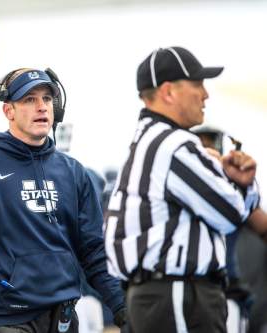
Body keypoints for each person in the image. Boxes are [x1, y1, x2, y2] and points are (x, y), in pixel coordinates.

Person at [0, 67, 126, 333]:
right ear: (8, 111)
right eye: (29, 99)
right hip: (5, 317)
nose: (41, 107)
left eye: (47, 99)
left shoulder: (74, 172)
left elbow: (93, 250)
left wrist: (121, 306)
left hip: (63, 315)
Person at [104, 46, 260, 333]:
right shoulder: (173, 144)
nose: (206, 94)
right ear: (168, 92)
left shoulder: (150, 141)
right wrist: (243, 184)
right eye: (198, 84)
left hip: (163, 293)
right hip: (177, 293)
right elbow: (230, 214)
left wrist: (239, 184)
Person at [192, 126, 267, 333]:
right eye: (201, 144)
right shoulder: (179, 188)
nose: (207, 149)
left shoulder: (231, 193)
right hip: (186, 290)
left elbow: (262, 225)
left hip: (224, 291)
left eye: (210, 143)